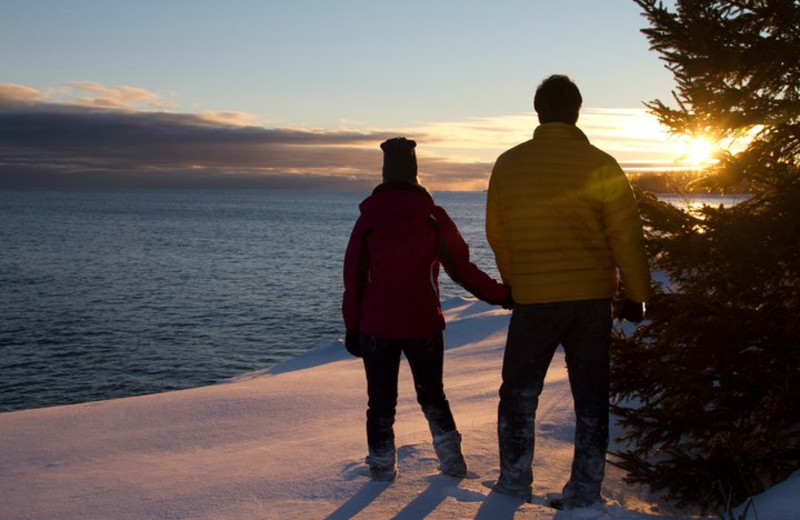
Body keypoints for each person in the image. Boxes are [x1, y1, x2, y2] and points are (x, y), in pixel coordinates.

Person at [485, 75, 650, 509]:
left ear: (538, 112)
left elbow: (497, 234)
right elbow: (626, 236)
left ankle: (513, 482)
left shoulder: (508, 164)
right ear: (577, 111)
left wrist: (518, 282)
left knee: (519, 394)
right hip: (591, 301)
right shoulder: (602, 164)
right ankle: (584, 491)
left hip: (535, 301)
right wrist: (635, 295)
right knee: (591, 398)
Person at [342, 137, 511, 482]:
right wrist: (502, 295)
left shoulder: (370, 219)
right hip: (423, 324)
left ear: (385, 173)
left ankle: (381, 470)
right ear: (415, 173)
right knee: (433, 396)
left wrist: (353, 326)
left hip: (377, 327)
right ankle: (452, 465)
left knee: (380, 403)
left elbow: (354, 278)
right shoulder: (433, 217)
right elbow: (461, 268)